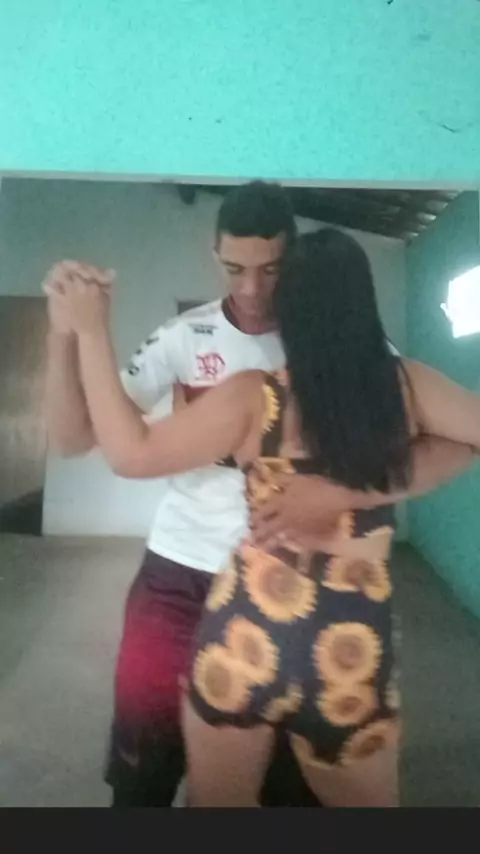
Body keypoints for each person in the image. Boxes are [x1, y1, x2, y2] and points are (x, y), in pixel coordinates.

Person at [45, 185, 474, 807]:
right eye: (234, 269)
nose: (250, 289)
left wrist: (340, 491)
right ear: (214, 256)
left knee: (281, 794)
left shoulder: (335, 368)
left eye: (270, 271)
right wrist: (67, 333)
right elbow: (74, 438)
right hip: (189, 579)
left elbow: (130, 454)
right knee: (144, 771)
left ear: (293, 263)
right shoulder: (187, 338)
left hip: (276, 609)